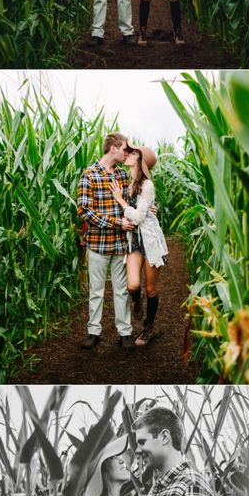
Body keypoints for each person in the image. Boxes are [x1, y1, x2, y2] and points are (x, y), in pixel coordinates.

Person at [77, 133, 134, 350]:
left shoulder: (123, 175)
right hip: (98, 244)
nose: (126, 153)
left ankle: (125, 332)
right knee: (96, 290)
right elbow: (85, 211)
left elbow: (131, 202)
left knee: (121, 290)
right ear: (113, 149)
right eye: (124, 149)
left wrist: (147, 209)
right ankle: (94, 332)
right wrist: (116, 223)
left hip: (120, 244)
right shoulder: (89, 175)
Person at [109, 143, 168, 347]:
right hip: (134, 242)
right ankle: (137, 300)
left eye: (133, 153)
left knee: (151, 287)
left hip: (150, 242)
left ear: (140, 160)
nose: (129, 154)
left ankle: (148, 327)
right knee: (133, 285)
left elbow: (138, 217)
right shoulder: (129, 182)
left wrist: (121, 202)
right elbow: (142, 212)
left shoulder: (147, 185)